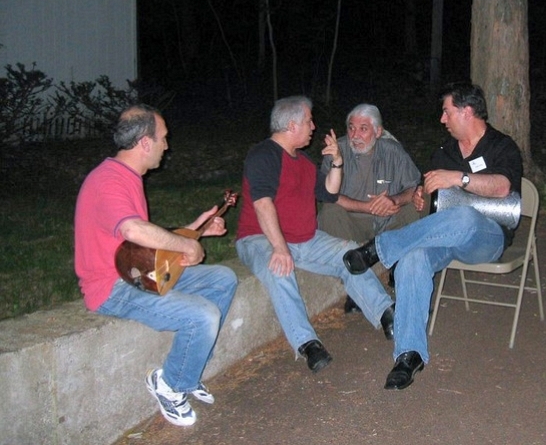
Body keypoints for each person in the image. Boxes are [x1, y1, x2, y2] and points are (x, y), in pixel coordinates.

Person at [344, 82, 523, 390]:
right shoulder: (445, 152)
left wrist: (458, 178)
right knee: (413, 259)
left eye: (446, 112)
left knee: (466, 216)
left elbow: (503, 187)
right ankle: (409, 354)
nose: (442, 119)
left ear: (467, 111)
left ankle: (379, 248)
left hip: (487, 237)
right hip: (445, 238)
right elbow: (429, 195)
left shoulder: (501, 146)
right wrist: (420, 196)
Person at [74, 104, 238, 427]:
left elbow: (140, 243)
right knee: (203, 315)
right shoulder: (108, 181)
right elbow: (133, 230)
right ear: (145, 143)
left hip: (139, 272)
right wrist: (187, 245)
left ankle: (188, 371)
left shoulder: (126, 176)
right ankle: (170, 384)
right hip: (113, 287)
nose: (167, 145)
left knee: (223, 279)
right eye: (163, 138)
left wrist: (195, 230)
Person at [235, 96, 395, 374]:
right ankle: (307, 343)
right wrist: (280, 248)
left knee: (350, 254)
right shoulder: (264, 155)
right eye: (309, 121)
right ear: (292, 125)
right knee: (279, 269)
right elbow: (262, 204)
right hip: (260, 239)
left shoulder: (304, 162)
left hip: (305, 240)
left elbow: (330, 193)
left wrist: (337, 162)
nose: (313, 126)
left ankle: (387, 314)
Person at [317, 103, 421, 312]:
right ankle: (357, 283)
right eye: (351, 128)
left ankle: (401, 268)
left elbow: (413, 187)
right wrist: (366, 207)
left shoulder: (393, 151)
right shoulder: (337, 151)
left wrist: (394, 200)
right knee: (329, 212)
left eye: (363, 129)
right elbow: (329, 195)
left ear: (378, 131)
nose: (355, 135)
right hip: (351, 222)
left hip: (388, 221)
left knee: (416, 206)